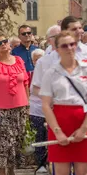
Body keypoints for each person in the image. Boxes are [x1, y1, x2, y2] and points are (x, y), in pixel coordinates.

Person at [40, 31, 87, 175]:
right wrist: (58, 131)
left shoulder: (86, 69)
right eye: (64, 45)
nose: (69, 48)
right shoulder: (51, 73)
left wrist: (83, 129)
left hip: (83, 123)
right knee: (61, 174)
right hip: (59, 123)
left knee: (83, 173)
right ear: (57, 49)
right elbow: (46, 105)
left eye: (72, 44)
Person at [0, 33, 29, 175]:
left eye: (5, 41)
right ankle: (1, 171)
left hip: (20, 107)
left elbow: (26, 83)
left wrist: (27, 104)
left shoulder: (19, 60)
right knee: (3, 142)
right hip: (2, 108)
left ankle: (12, 170)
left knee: (17, 140)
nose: (3, 44)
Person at [30, 25, 61, 166]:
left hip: (69, 111)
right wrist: (50, 100)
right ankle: (45, 169)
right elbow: (34, 88)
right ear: (50, 40)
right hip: (44, 110)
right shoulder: (44, 61)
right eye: (56, 36)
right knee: (47, 145)